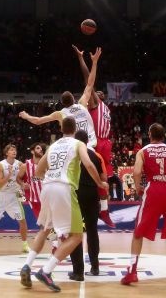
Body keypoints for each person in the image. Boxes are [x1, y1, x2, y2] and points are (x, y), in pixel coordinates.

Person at [19, 116, 108, 292]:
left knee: (44, 229)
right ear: (74, 129)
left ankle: (27, 266)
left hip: (47, 188)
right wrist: (99, 183)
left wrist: (51, 179)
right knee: (76, 236)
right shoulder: (78, 144)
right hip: (64, 188)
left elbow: (37, 171)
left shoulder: (53, 146)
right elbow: (89, 164)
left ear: (62, 129)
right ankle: (46, 271)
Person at [120, 123, 166, 285]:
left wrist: (138, 187)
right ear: (163, 136)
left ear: (150, 134)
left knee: (139, 231)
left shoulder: (143, 151)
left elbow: (136, 172)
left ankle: (132, 272)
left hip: (153, 191)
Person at [19, 47, 102, 154]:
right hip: (91, 147)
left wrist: (26, 116)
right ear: (73, 98)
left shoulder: (60, 114)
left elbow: (38, 121)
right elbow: (90, 83)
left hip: (76, 150)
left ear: (62, 103)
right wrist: (94, 62)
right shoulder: (82, 103)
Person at [73, 45, 116, 227]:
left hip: (106, 143)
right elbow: (88, 80)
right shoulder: (94, 103)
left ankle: (104, 211)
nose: (97, 93)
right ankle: (95, 209)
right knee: (98, 178)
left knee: (107, 180)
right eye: (94, 93)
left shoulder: (106, 108)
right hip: (96, 143)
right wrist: (84, 60)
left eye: (100, 93)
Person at [69, 129, 107, 281]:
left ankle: (78, 271)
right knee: (92, 231)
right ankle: (95, 267)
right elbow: (104, 178)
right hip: (92, 195)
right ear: (88, 141)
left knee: (75, 233)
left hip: (75, 195)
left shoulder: (71, 154)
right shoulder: (97, 156)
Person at [23, 144, 45, 221]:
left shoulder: (47, 163)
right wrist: (23, 184)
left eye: (42, 149)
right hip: (35, 198)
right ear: (32, 151)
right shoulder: (26, 165)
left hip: (47, 197)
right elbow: (18, 178)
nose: (41, 150)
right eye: (38, 148)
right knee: (42, 222)